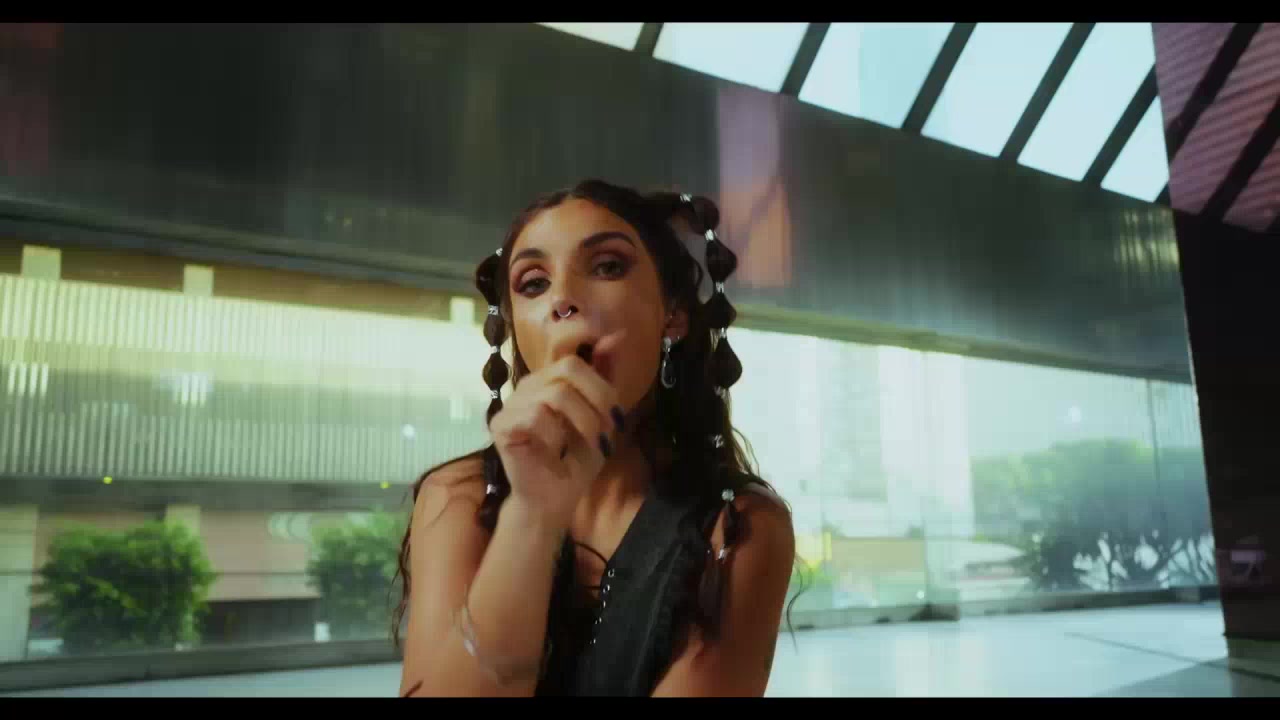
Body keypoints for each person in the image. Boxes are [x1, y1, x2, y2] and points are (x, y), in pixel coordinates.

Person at [394, 179, 797, 697]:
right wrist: (531, 516)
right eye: (534, 283)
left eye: (607, 267)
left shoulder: (741, 528)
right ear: (516, 328)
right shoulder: (458, 498)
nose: (563, 299)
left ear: (672, 315)